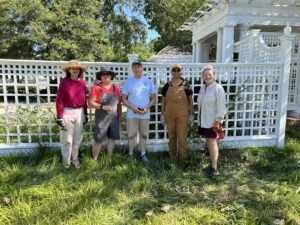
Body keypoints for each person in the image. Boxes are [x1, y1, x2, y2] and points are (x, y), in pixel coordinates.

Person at [122, 60, 156, 162]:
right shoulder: (128, 82)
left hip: (145, 113)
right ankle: (130, 154)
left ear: (142, 68)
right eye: (134, 67)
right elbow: (123, 99)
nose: (137, 69)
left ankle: (143, 154)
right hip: (132, 113)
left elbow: (154, 98)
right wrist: (134, 108)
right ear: (132, 69)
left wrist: (147, 108)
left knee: (144, 135)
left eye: (138, 67)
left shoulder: (148, 81)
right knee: (131, 135)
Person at [56, 60, 88, 169]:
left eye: (77, 68)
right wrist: (59, 117)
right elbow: (59, 100)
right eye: (72, 68)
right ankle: (66, 164)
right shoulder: (64, 82)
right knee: (67, 140)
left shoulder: (82, 82)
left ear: (80, 71)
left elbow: (84, 100)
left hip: (80, 112)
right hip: (67, 112)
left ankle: (75, 161)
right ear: (68, 70)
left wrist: (86, 114)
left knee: (77, 139)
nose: (75, 70)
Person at [197, 65, 226, 178]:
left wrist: (218, 121)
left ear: (214, 75)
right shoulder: (203, 88)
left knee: (212, 142)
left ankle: (214, 168)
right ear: (202, 77)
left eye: (210, 74)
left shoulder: (218, 88)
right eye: (205, 75)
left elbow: (221, 107)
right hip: (203, 121)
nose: (207, 76)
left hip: (212, 121)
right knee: (208, 141)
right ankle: (211, 163)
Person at [161, 64, 193, 161]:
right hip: (169, 116)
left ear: (181, 71)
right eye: (174, 70)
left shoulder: (186, 85)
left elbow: (191, 101)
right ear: (171, 72)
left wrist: (191, 114)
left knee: (182, 138)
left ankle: (182, 159)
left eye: (178, 70)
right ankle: (172, 158)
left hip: (183, 116)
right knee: (172, 137)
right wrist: (162, 114)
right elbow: (163, 101)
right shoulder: (167, 85)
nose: (176, 72)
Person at [88, 67, 121, 160]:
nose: (106, 76)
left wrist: (120, 115)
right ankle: (94, 160)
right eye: (104, 74)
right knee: (99, 139)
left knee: (112, 137)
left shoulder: (115, 88)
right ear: (100, 77)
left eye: (108, 74)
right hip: (101, 118)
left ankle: (109, 158)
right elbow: (90, 103)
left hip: (114, 118)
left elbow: (119, 103)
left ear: (111, 76)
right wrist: (102, 107)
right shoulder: (96, 88)